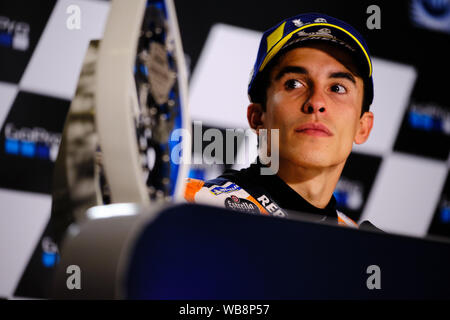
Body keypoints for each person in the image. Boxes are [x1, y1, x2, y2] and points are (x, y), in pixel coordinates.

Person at [185, 13, 381, 231]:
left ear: (363, 127)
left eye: (337, 88)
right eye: (294, 84)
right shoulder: (190, 207)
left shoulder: (365, 249)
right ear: (258, 117)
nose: (316, 102)